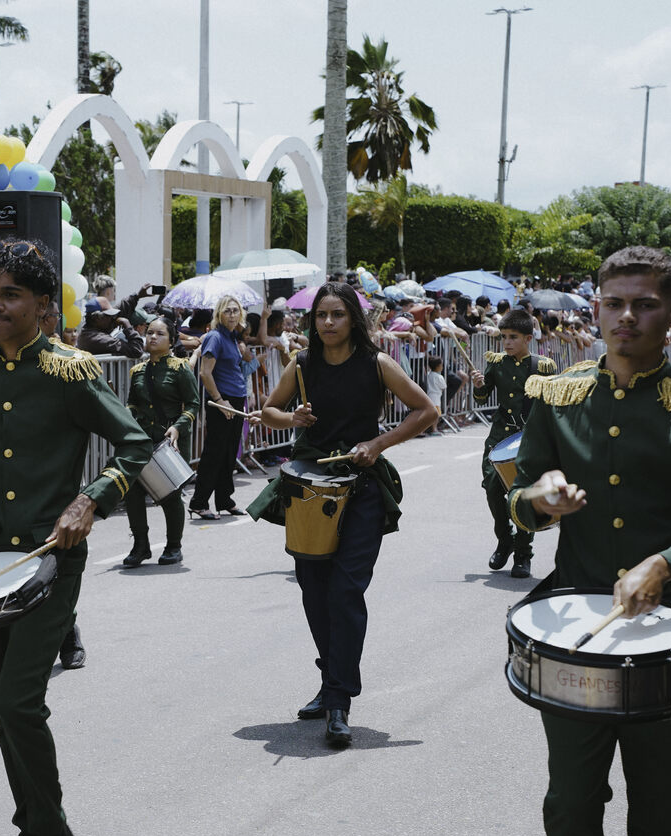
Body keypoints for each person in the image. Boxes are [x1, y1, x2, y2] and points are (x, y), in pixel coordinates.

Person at [508, 246, 671, 836]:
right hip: (575, 629)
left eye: (644, 305)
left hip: (669, 632)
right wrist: (541, 499)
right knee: (570, 806)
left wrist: (667, 564)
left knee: (663, 814)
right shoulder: (558, 396)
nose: (626, 317)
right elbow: (520, 493)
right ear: (596, 308)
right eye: (614, 303)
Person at [0, 238, 150, 836]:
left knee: (18, 703)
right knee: (4, 708)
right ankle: (40, 827)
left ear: (44, 305)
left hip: (49, 557)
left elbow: (135, 443)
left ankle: (46, 835)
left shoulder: (69, 371)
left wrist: (90, 500)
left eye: (11, 295)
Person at [249, 282, 437, 748]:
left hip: (362, 490)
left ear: (354, 318)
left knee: (345, 590)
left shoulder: (378, 363)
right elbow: (268, 411)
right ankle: (331, 679)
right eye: (321, 315)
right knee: (314, 590)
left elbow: (427, 410)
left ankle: (338, 701)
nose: (328, 322)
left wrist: (378, 444)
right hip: (308, 490)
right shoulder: (302, 364)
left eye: (337, 314)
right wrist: (292, 419)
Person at [469, 309, 556, 578]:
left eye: (513, 337)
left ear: (528, 338)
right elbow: (482, 398)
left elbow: (552, 404)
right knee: (492, 489)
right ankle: (504, 539)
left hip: (529, 438)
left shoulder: (542, 366)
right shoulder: (497, 364)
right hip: (499, 436)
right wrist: (479, 386)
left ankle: (522, 554)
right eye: (504, 337)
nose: (506, 342)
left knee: (524, 494)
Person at [122, 316, 200, 566]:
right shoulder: (137, 371)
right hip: (142, 440)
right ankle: (140, 546)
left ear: (171, 340)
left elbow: (193, 404)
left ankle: (174, 546)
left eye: (160, 334)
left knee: (169, 494)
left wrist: (178, 427)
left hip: (170, 441)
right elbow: (133, 403)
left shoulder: (180, 368)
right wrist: (126, 415)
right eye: (149, 333)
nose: (153, 337)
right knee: (133, 492)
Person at [189, 295, 248, 519]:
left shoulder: (232, 337)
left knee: (229, 452)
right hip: (222, 401)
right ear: (219, 314)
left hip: (235, 399)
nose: (232, 315)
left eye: (235, 310)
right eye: (227, 311)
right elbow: (205, 373)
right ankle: (198, 502)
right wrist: (221, 401)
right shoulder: (215, 337)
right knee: (214, 453)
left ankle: (225, 500)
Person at [76, 297, 143, 358]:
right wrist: (127, 325)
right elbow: (136, 350)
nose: (113, 318)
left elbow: (120, 309)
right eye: (109, 315)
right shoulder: (99, 339)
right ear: (97, 318)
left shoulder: (88, 329)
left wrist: (137, 296)